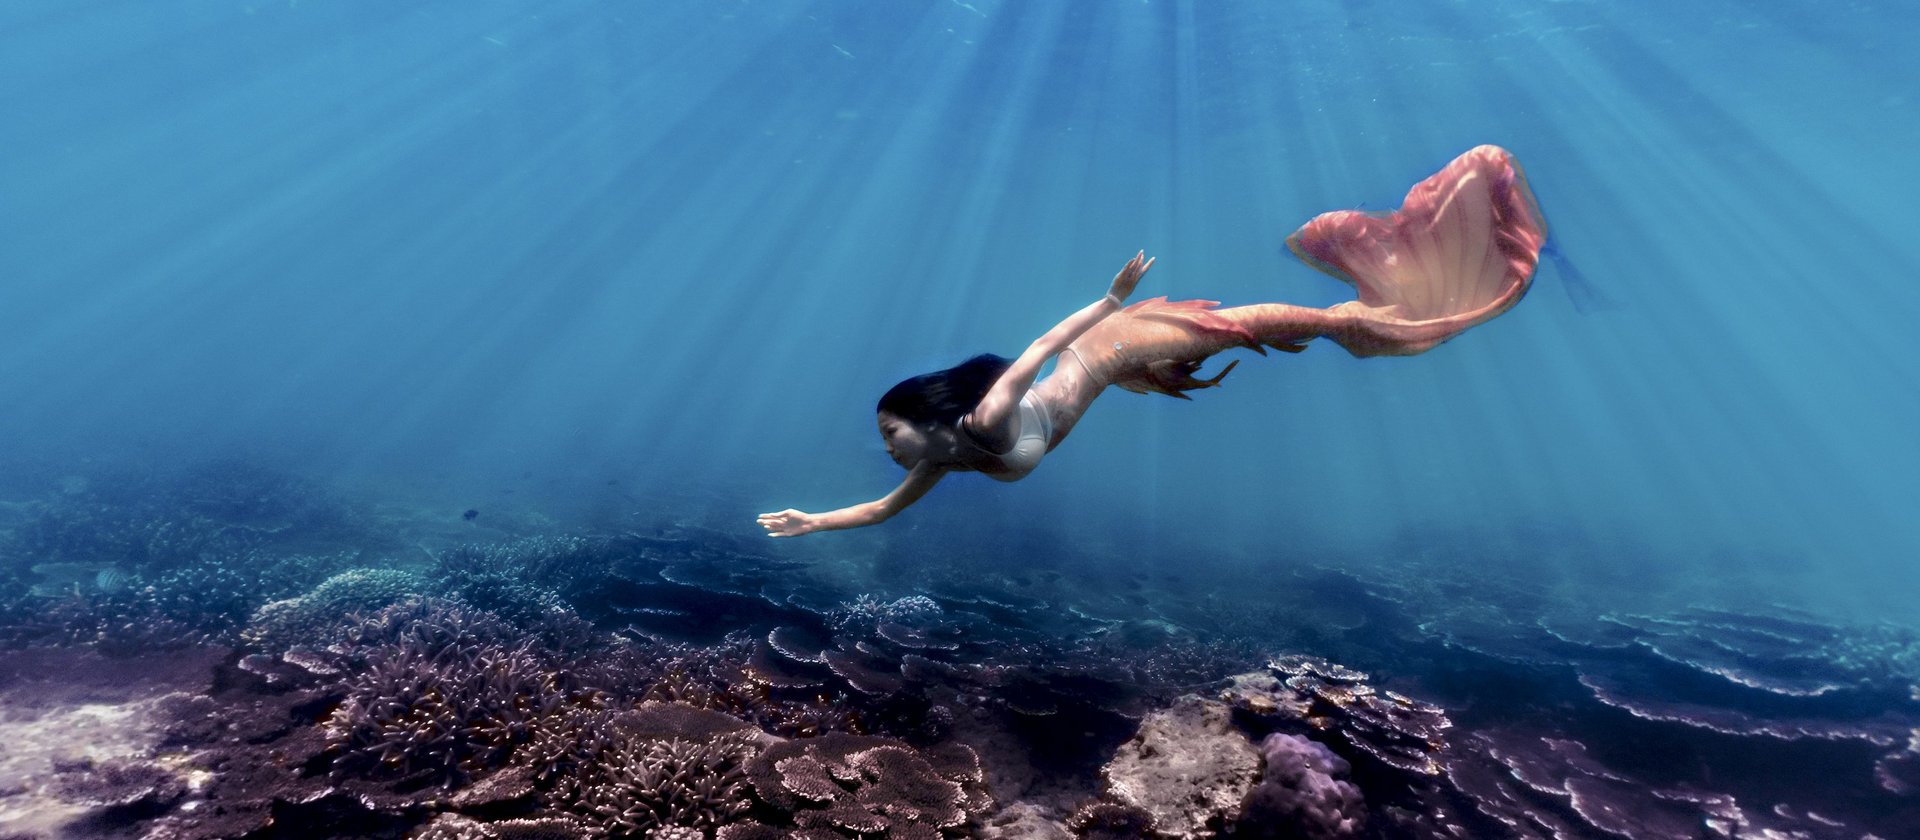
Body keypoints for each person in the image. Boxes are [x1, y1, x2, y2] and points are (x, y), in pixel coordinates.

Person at [758, 145, 1548, 538]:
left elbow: (1036, 349)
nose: (888, 449)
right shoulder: (940, 457)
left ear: (927, 419)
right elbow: (882, 510)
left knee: (1307, 326)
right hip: (1108, 364)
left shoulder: (987, 422)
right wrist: (810, 523)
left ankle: (1385, 311)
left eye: (891, 433)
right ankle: (1376, 321)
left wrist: (1108, 301)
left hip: (1115, 343)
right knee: (1305, 332)